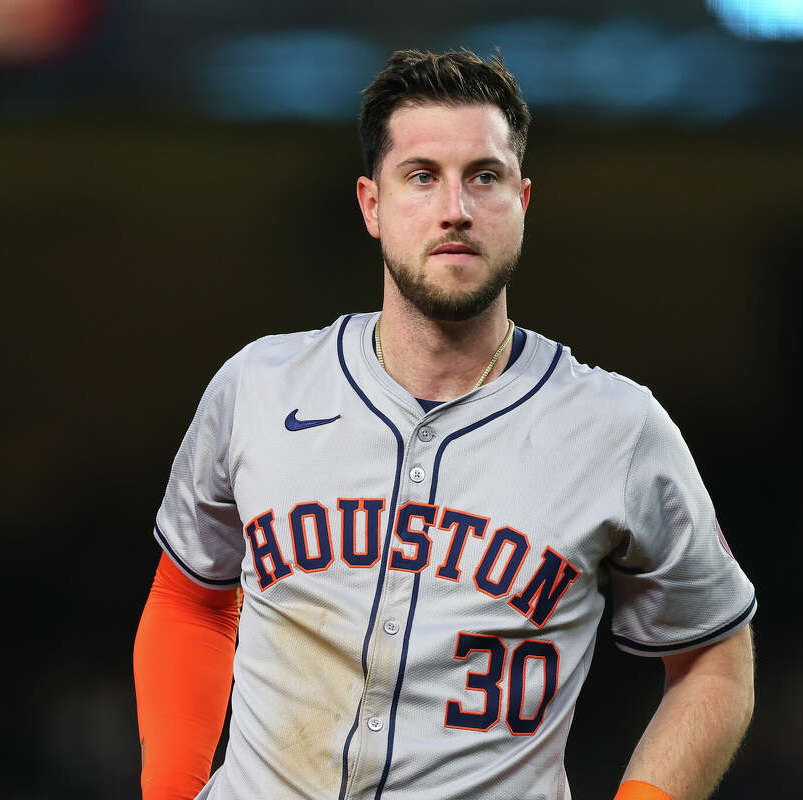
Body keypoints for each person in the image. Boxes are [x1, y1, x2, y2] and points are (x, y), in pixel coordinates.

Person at [133, 49, 756, 800]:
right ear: (371, 203)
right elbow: (191, 600)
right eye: (421, 175)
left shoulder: (618, 429)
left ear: (523, 200)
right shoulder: (259, 388)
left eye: (484, 177)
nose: (455, 206)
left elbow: (716, 662)